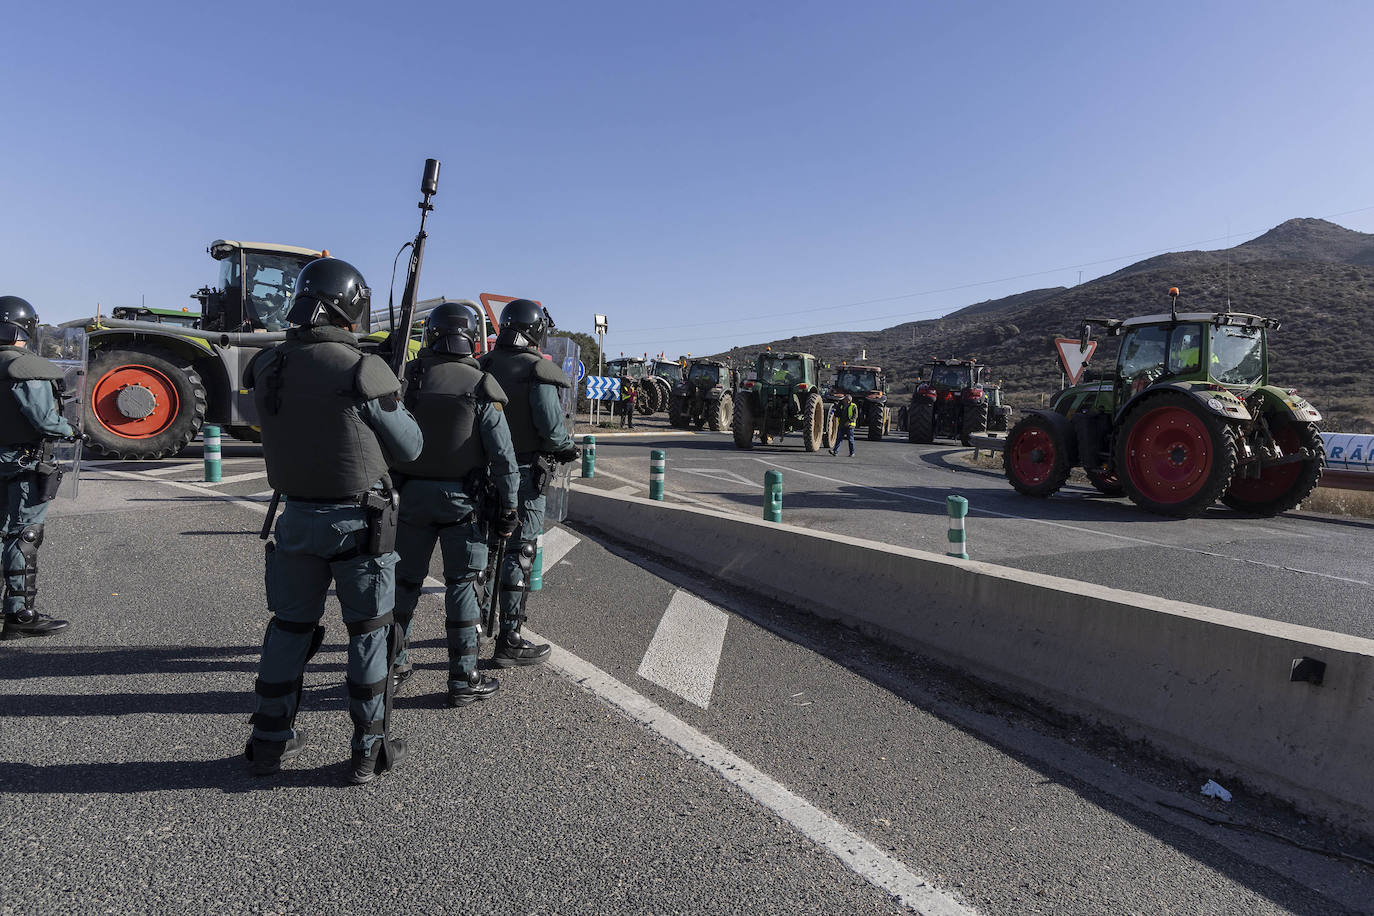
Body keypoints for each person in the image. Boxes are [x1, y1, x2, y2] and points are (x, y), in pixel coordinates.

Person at [241, 258, 423, 785]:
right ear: (350, 306)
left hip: (293, 516)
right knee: (368, 633)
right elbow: (410, 446)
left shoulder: (267, 363)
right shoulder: (359, 367)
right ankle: (368, 748)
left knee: (288, 629)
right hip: (358, 523)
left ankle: (267, 741)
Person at [390, 302, 520, 707]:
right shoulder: (482, 385)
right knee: (463, 586)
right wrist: (510, 508)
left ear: (431, 333)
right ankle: (463, 678)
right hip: (464, 503)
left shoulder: (409, 380)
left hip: (409, 499)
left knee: (403, 584)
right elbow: (503, 458)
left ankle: (393, 666)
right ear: (470, 337)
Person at [479, 300, 577, 667]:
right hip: (522, 476)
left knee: (486, 551)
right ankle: (510, 637)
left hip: (483, 475)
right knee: (520, 554)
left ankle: (470, 631)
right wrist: (568, 449)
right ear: (535, 330)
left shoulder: (483, 365)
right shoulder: (537, 370)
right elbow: (552, 430)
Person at [0, 296, 74, 640]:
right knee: (25, 534)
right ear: (25, 328)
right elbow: (45, 420)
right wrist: (71, 429)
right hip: (25, 460)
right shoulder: (25, 367)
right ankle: (20, 615)